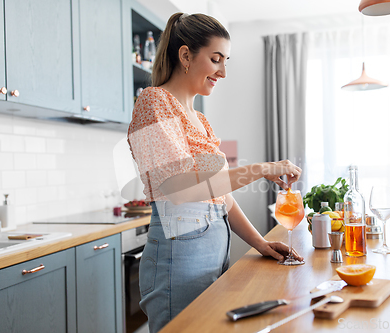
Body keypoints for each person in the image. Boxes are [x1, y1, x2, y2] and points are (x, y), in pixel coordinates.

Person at [127, 12, 303, 333]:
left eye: (226, 61)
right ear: (185, 55)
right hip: (177, 258)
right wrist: (262, 169)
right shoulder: (153, 102)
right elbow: (181, 189)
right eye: (216, 59)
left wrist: (260, 244)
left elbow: (220, 196)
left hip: (212, 253)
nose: (222, 71)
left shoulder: (201, 120)